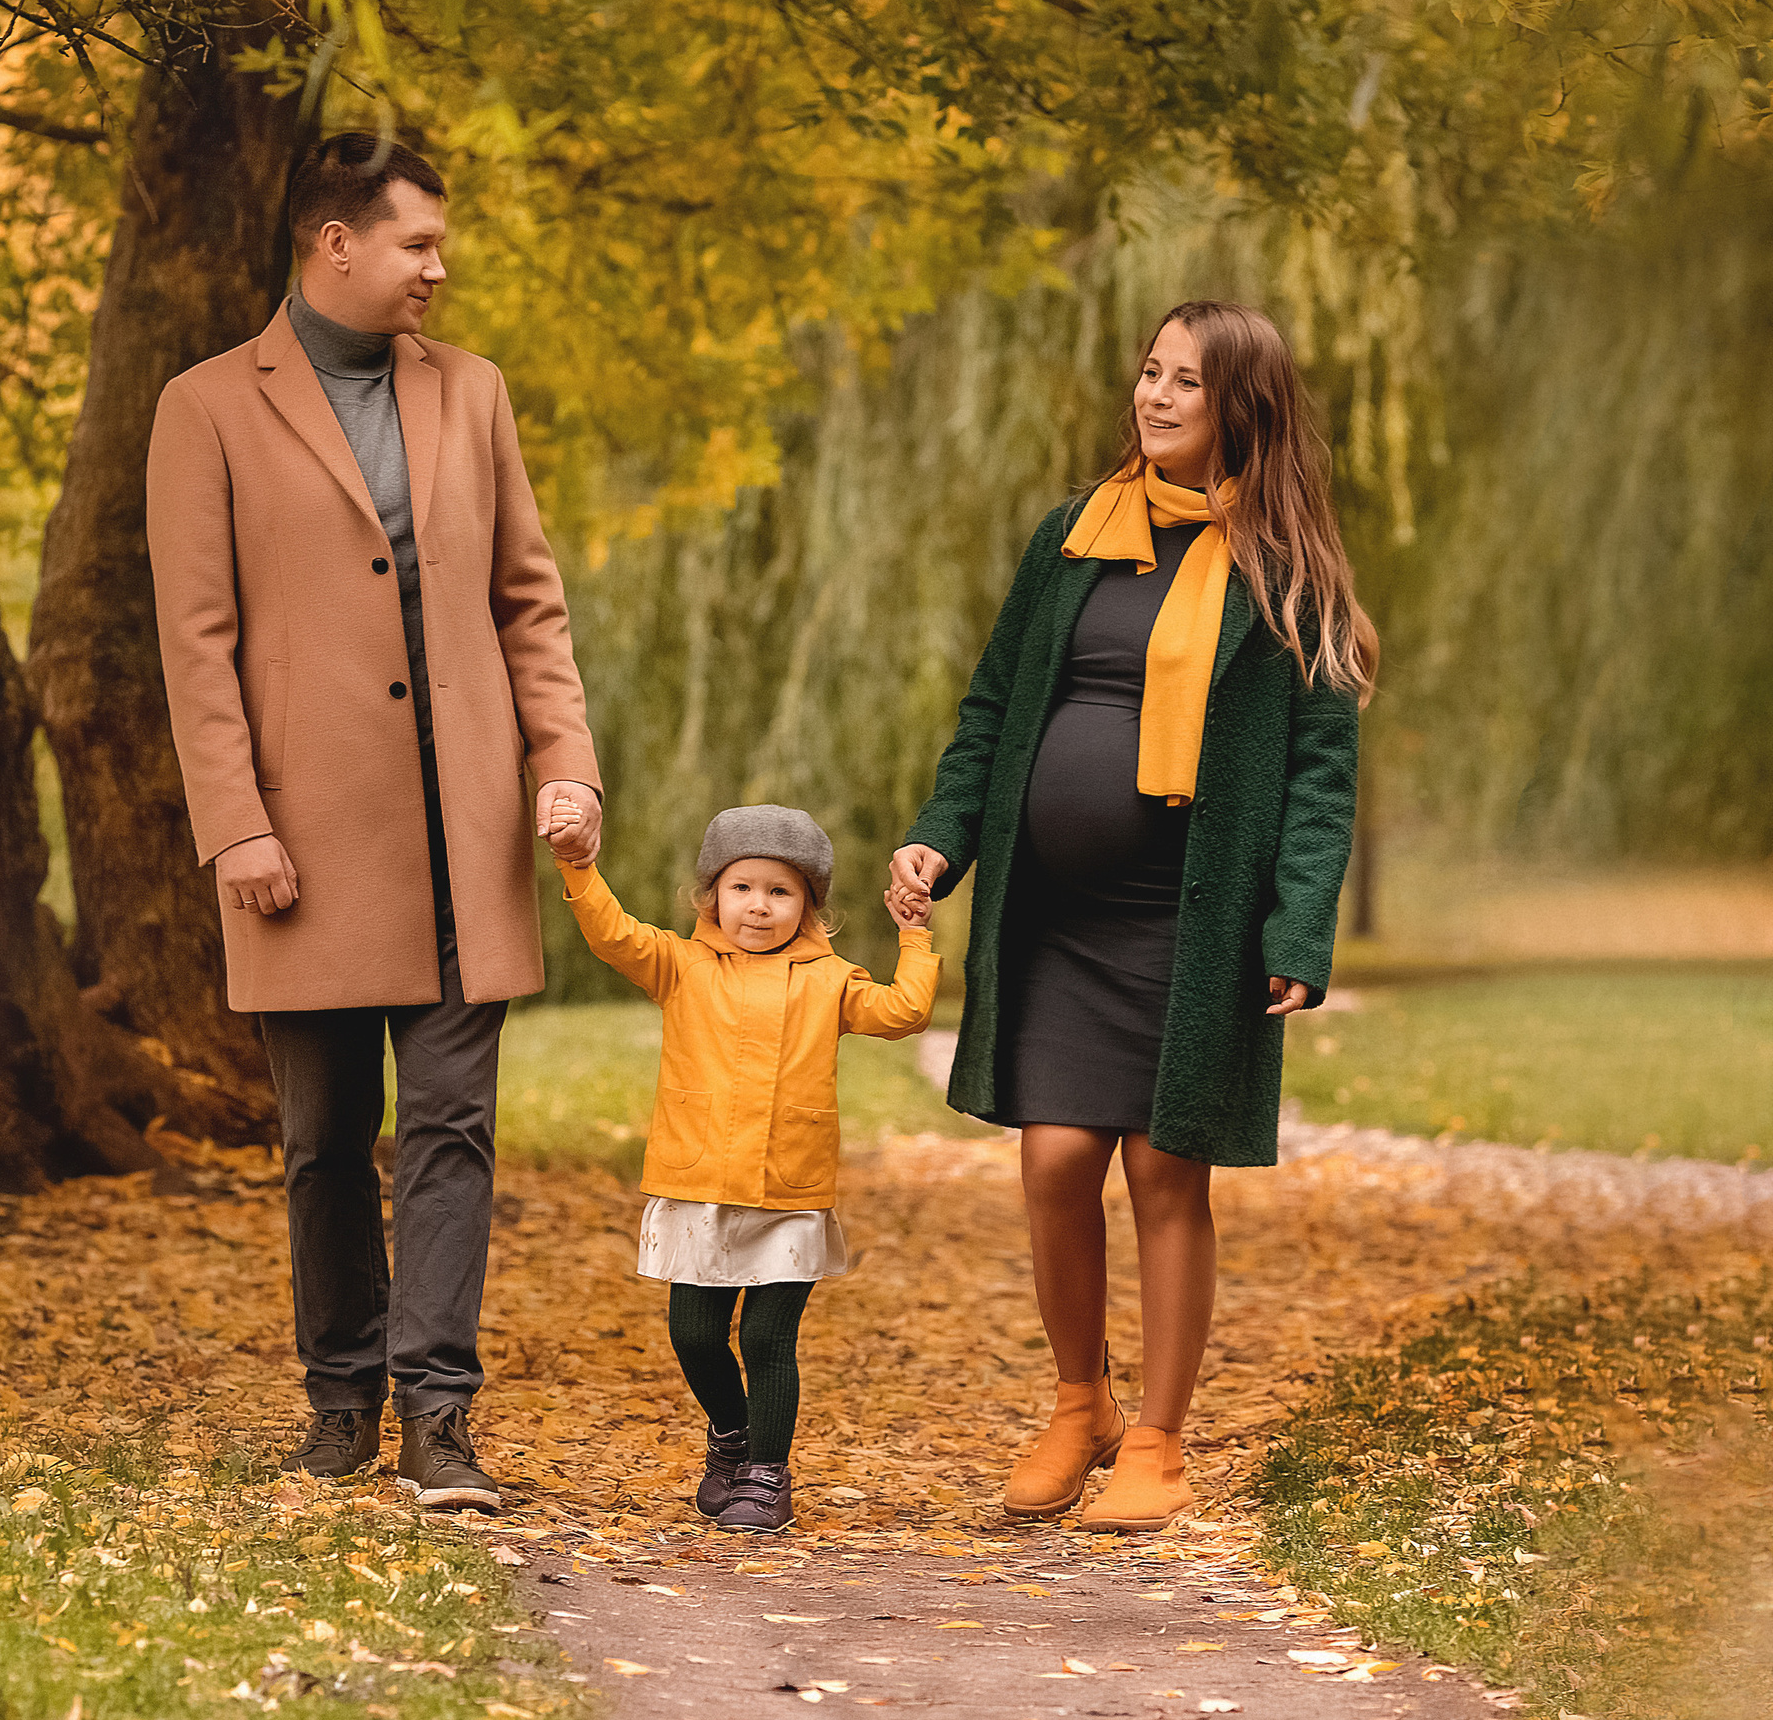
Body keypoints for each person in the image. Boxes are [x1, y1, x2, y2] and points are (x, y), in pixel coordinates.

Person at [146, 133, 603, 1516]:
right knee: (325, 1137)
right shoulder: (204, 408)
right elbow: (196, 640)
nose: (438, 269)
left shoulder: (473, 395)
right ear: (333, 244)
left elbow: (529, 597)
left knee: (453, 1126)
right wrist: (235, 826)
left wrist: (564, 759)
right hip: (301, 840)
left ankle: (440, 1421)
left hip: (467, 828)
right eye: (416, 244)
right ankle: (339, 1404)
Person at [888, 301, 1371, 1533]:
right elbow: (993, 707)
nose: (1154, 397)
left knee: (1165, 1169)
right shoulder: (1075, 534)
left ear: (1240, 410)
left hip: (1189, 913)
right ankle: (1078, 1404)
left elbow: (1320, 770)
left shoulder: (1286, 572)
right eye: (1149, 372)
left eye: (1185, 383)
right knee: (1052, 1158)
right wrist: (944, 836)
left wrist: (1298, 929)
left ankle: (1157, 1436)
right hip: (1056, 908)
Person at [553, 808, 938, 1533]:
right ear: (712, 896)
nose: (759, 906)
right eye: (742, 888)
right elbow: (609, 930)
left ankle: (767, 1472)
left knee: (766, 1341)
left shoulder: (831, 979)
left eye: (781, 892)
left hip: (789, 1189)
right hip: (697, 1182)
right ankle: (731, 1433)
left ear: (810, 906)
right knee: (695, 1335)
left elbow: (907, 1010)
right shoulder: (679, 964)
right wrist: (578, 865)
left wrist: (913, 935)